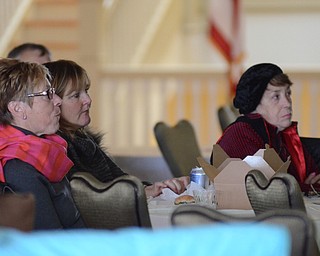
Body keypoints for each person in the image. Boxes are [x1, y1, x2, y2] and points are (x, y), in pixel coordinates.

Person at [43, 60, 190, 198]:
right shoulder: (58, 149)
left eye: (86, 90)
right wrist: (143, 192)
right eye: (75, 95)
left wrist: (157, 189)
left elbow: (121, 182)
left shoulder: (84, 141)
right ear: (53, 103)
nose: (88, 100)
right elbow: (92, 202)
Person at [0, 58, 86, 230]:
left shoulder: (41, 148)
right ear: (18, 108)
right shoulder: (19, 167)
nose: (57, 100)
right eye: (47, 94)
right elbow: (50, 243)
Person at [213, 63, 320, 193]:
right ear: (255, 102)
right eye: (276, 96)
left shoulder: (281, 134)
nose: (287, 103)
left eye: (288, 94)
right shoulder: (241, 133)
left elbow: (311, 175)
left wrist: (304, 185)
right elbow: (270, 188)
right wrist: (307, 186)